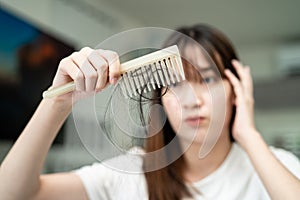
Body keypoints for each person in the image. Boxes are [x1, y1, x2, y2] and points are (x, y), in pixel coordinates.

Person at [0, 24, 299, 200]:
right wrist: (57, 103)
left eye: (207, 79)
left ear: (235, 87)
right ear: (161, 99)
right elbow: (12, 193)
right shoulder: (130, 175)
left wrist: (248, 135)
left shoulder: (274, 168)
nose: (193, 99)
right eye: (176, 84)